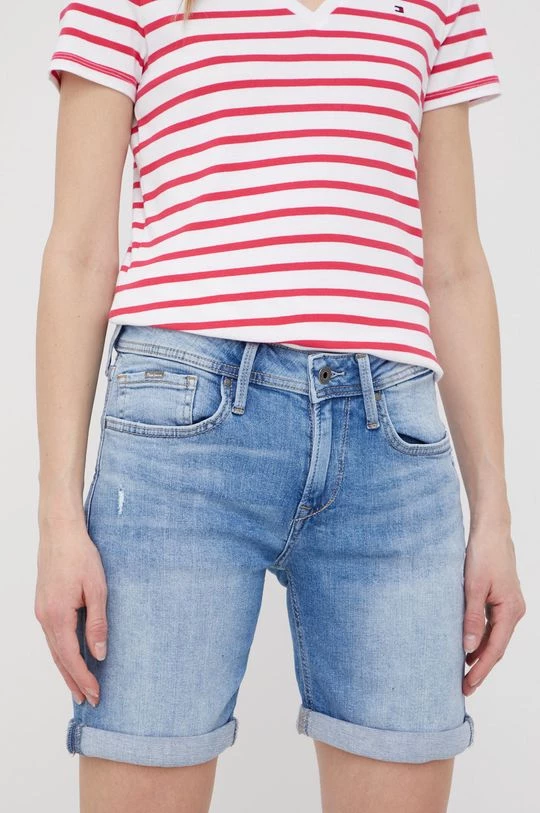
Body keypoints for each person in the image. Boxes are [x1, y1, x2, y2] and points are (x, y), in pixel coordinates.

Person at [35, 1, 526, 811]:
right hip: (182, 437)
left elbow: (455, 263)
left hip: (393, 447)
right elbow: (80, 252)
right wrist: (58, 515)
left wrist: (496, 516)